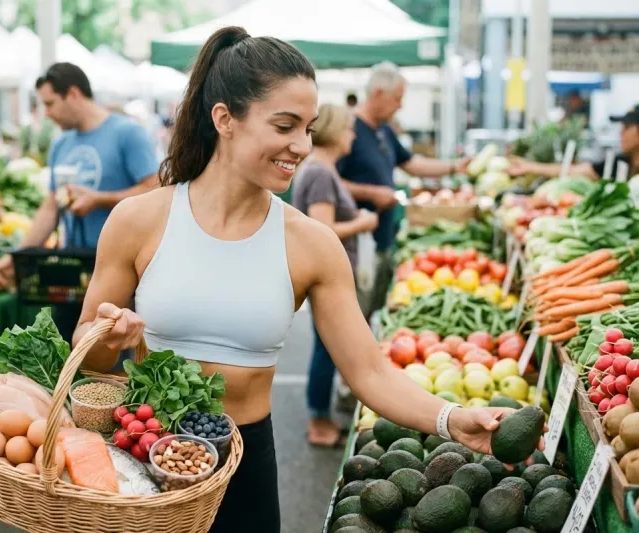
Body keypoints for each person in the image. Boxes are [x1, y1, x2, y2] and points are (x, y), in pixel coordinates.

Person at [69, 27, 538, 533]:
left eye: (309, 128)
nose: (302, 146)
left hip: (245, 471)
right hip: (144, 460)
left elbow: (369, 372)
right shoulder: (138, 220)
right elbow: (87, 352)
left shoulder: (311, 243)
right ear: (224, 119)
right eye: (285, 126)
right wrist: (107, 337)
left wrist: (451, 419)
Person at [0, 62, 158, 349]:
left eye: (50, 104)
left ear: (73, 94)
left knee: (109, 353)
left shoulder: (127, 134)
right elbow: (51, 207)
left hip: (120, 270)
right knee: (68, 350)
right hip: (72, 270)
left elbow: (155, 189)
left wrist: (98, 199)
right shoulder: (61, 145)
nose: (47, 113)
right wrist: (19, 253)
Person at [338, 61, 471, 314]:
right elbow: (329, 179)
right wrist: (371, 193)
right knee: (350, 317)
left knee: (371, 314)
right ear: (379, 93)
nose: (400, 105)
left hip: (382, 239)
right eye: (397, 98)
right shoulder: (348, 130)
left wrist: (455, 167)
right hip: (355, 246)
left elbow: (412, 164)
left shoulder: (385, 131)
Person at [291, 103, 378, 447]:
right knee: (327, 349)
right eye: (349, 128)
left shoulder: (322, 170)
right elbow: (323, 228)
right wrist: (362, 222)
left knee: (327, 347)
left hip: (329, 274)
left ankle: (322, 417)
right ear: (335, 131)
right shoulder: (320, 174)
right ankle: (318, 421)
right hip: (325, 275)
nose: (353, 135)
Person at [507, 104, 639, 179]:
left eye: (627, 127)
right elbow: (575, 171)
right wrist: (530, 167)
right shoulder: (619, 162)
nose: (620, 133)